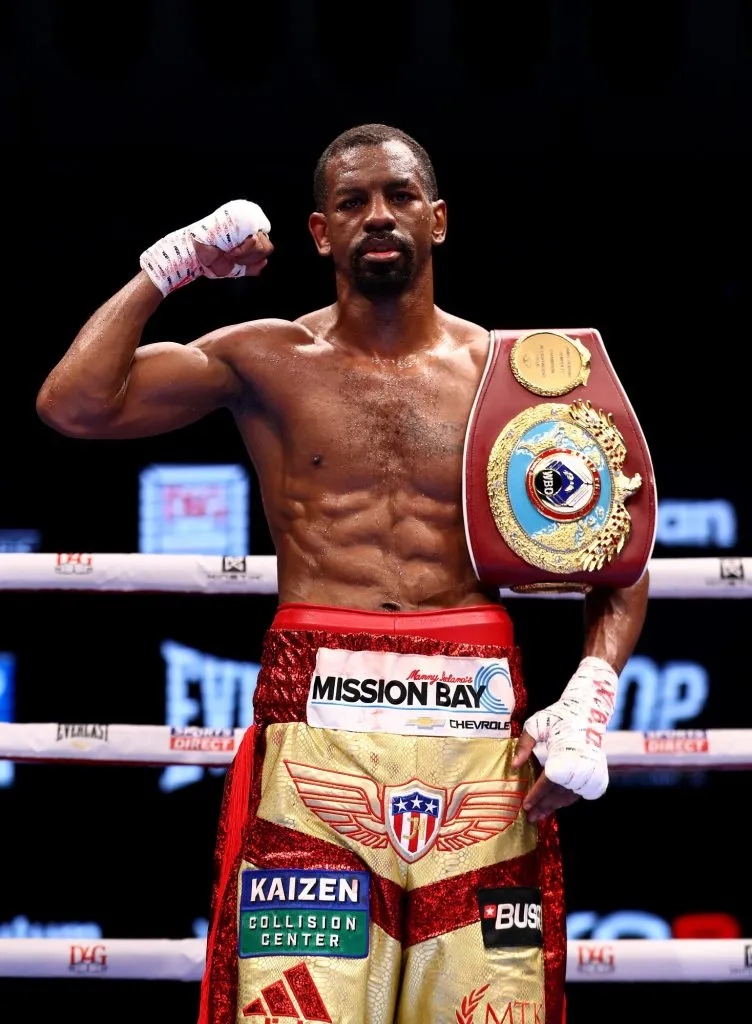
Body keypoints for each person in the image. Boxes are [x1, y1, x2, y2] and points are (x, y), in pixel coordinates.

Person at [37, 124, 649, 1024]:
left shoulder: (516, 376)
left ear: (437, 221)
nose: (379, 217)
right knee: (300, 1007)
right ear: (320, 233)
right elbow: (75, 403)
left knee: (487, 1008)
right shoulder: (264, 357)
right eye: (354, 202)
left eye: (399, 197)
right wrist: (174, 267)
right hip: (315, 713)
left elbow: (619, 555)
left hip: (477, 725)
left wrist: (590, 696)